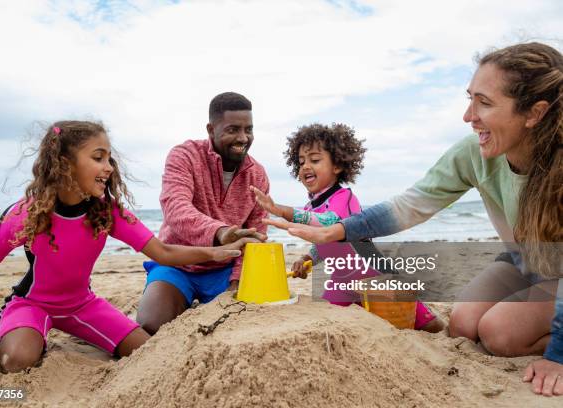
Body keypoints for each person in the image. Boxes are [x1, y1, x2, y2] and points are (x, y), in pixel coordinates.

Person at [264, 42, 563, 396]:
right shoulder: (474, 153)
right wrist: (340, 230)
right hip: (519, 261)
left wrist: (557, 354)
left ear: (534, 113)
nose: (469, 116)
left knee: (499, 335)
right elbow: (412, 204)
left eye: (484, 102)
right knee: (464, 326)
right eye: (469, 99)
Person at [0, 120, 248, 373]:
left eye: (109, 159)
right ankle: (29, 334)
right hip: (32, 304)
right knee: (15, 360)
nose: (108, 167)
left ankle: (42, 337)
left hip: (82, 305)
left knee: (145, 351)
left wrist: (215, 251)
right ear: (65, 164)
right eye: (98, 158)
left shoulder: (107, 212)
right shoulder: (28, 213)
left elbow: (163, 252)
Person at [250, 123, 443, 332]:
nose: (305, 166)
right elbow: (323, 242)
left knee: (425, 324)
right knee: (327, 322)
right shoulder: (309, 208)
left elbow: (328, 224)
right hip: (341, 283)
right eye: (301, 161)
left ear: (338, 166)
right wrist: (306, 259)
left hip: (375, 277)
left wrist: (282, 210)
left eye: (314, 160)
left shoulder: (345, 198)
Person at [136, 92, 269, 335]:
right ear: (211, 129)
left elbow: (255, 237)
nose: (243, 138)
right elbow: (175, 209)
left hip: (225, 271)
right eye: (233, 129)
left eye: (248, 129)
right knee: (151, 326)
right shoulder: (184, 156)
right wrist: (221, 232)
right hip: (178, 264)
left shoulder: (257, 175)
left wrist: (236, 283)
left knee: (243, 325)